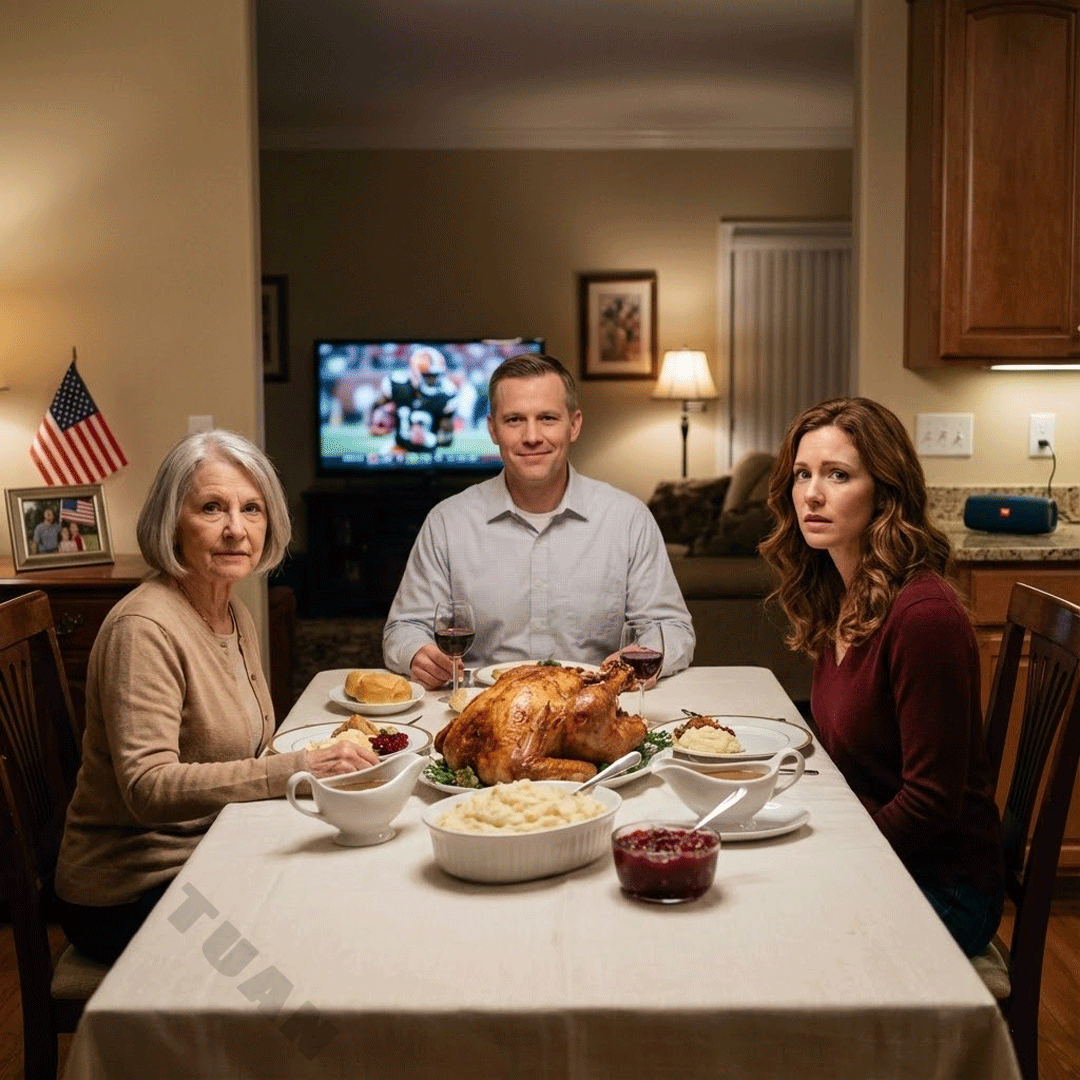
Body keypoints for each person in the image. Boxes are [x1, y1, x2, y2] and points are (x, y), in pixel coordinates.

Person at [55, 430, 379, 964]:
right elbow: (147, 787)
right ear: (171, 521)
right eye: (212, 507)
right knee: (312, 946)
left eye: (251, 509)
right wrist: (296, 768)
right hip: (131, 890)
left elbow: (247, 751)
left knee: (357, 877)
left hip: (212, 848)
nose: (236, 529)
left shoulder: (236, 611)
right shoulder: (143, 627)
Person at [758, 397, 1004, 957]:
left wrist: (828, 858)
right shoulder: (840, 592)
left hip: (943, 888)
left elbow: (930, 802)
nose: (812, 494)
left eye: (838, 475)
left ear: (885, 493)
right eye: (803, 475)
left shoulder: (923, 618)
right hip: (885, 853)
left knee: (756, 923)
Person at [383, 353, 695, 690]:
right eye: (515, 420)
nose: (532, 436)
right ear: (492, 429)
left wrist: (641, 656)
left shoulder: (628, 520)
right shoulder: (447, 523)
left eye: (547, 418)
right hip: (483, 712)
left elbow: (671, 628)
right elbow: (404, 628)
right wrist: (416, 653)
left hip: (594, 708)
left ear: (573, 425)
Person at [369, 345, 459, 452]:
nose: (433, 380)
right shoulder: (397, 385)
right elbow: (374, 418)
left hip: (429, 453)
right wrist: (379, 422)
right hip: (400, 447)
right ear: (414, 373)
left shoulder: (446, 393)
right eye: (428, 376)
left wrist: (428, 439)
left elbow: (447, 439)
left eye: (436, 376)